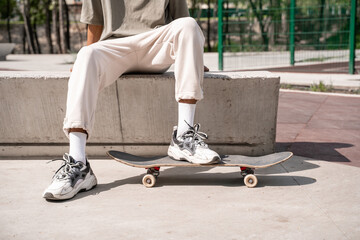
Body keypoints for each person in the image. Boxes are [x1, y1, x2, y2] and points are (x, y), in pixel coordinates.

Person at [43, 0, 220, 201]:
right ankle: (78, 164)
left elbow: (182, 22)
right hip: (114, 47)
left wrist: (193, 56)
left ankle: (184, 137)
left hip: (156, 44)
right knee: (85, 54)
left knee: (189, 25)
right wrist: (85, 65)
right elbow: (95, 22)